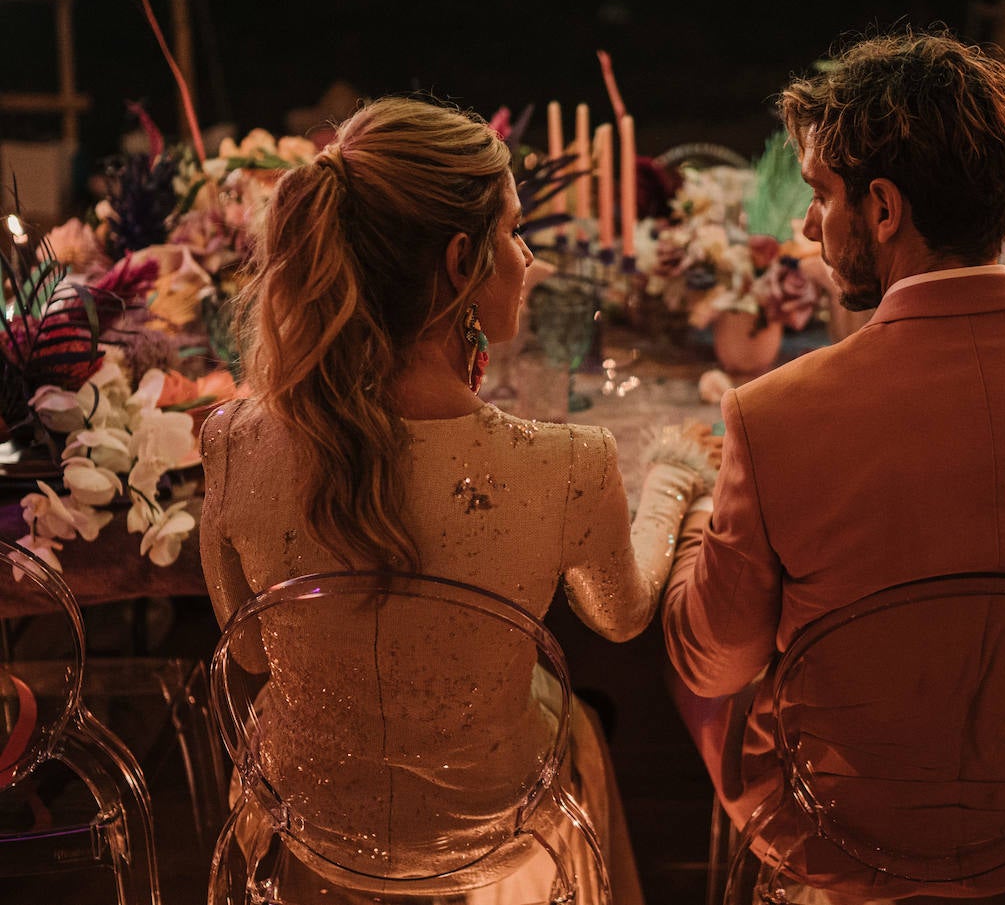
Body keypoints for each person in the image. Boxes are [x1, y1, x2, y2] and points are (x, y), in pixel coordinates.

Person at [663, 30, 1005, 899]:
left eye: (820, 196)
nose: (810, 225)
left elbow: (713, 663)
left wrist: (694, 530)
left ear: (884, 209)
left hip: (840, 841)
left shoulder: (773, 413)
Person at [199, 95, 712, 905]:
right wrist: (676, 479)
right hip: (488, 824)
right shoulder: (568, 463)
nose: (530, 256)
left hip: (306, 821)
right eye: (514, 232)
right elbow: (622, 615)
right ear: (460, 259)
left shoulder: (230, 440)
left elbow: (255, 654)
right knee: (573, 720)